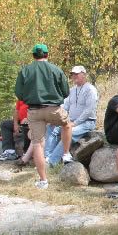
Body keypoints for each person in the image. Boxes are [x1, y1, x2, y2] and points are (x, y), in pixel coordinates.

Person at [14, 43, 73, 189]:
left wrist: (29, 96)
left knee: (37, 144)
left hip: (33, 111)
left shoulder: (25, 71)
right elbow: (66, 92)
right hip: (54, 109)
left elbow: (19, 93)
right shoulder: (55, 69)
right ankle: (66, 153)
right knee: (67, 125)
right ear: (47, 55)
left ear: (33, 56)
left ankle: (43, 181)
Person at [44, 65, 98, 166]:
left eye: (77, 74)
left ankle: (52, 162)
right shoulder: (72, 90)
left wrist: (75, 123)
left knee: (70, 133)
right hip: (71, 121)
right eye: (73, 74)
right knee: (52, 127)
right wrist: (55, 119)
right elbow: (65, 106)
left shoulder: (91, 90)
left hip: (87, 122)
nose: (74, 76)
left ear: (84, 74)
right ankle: (47, 157)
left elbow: (89, 111)